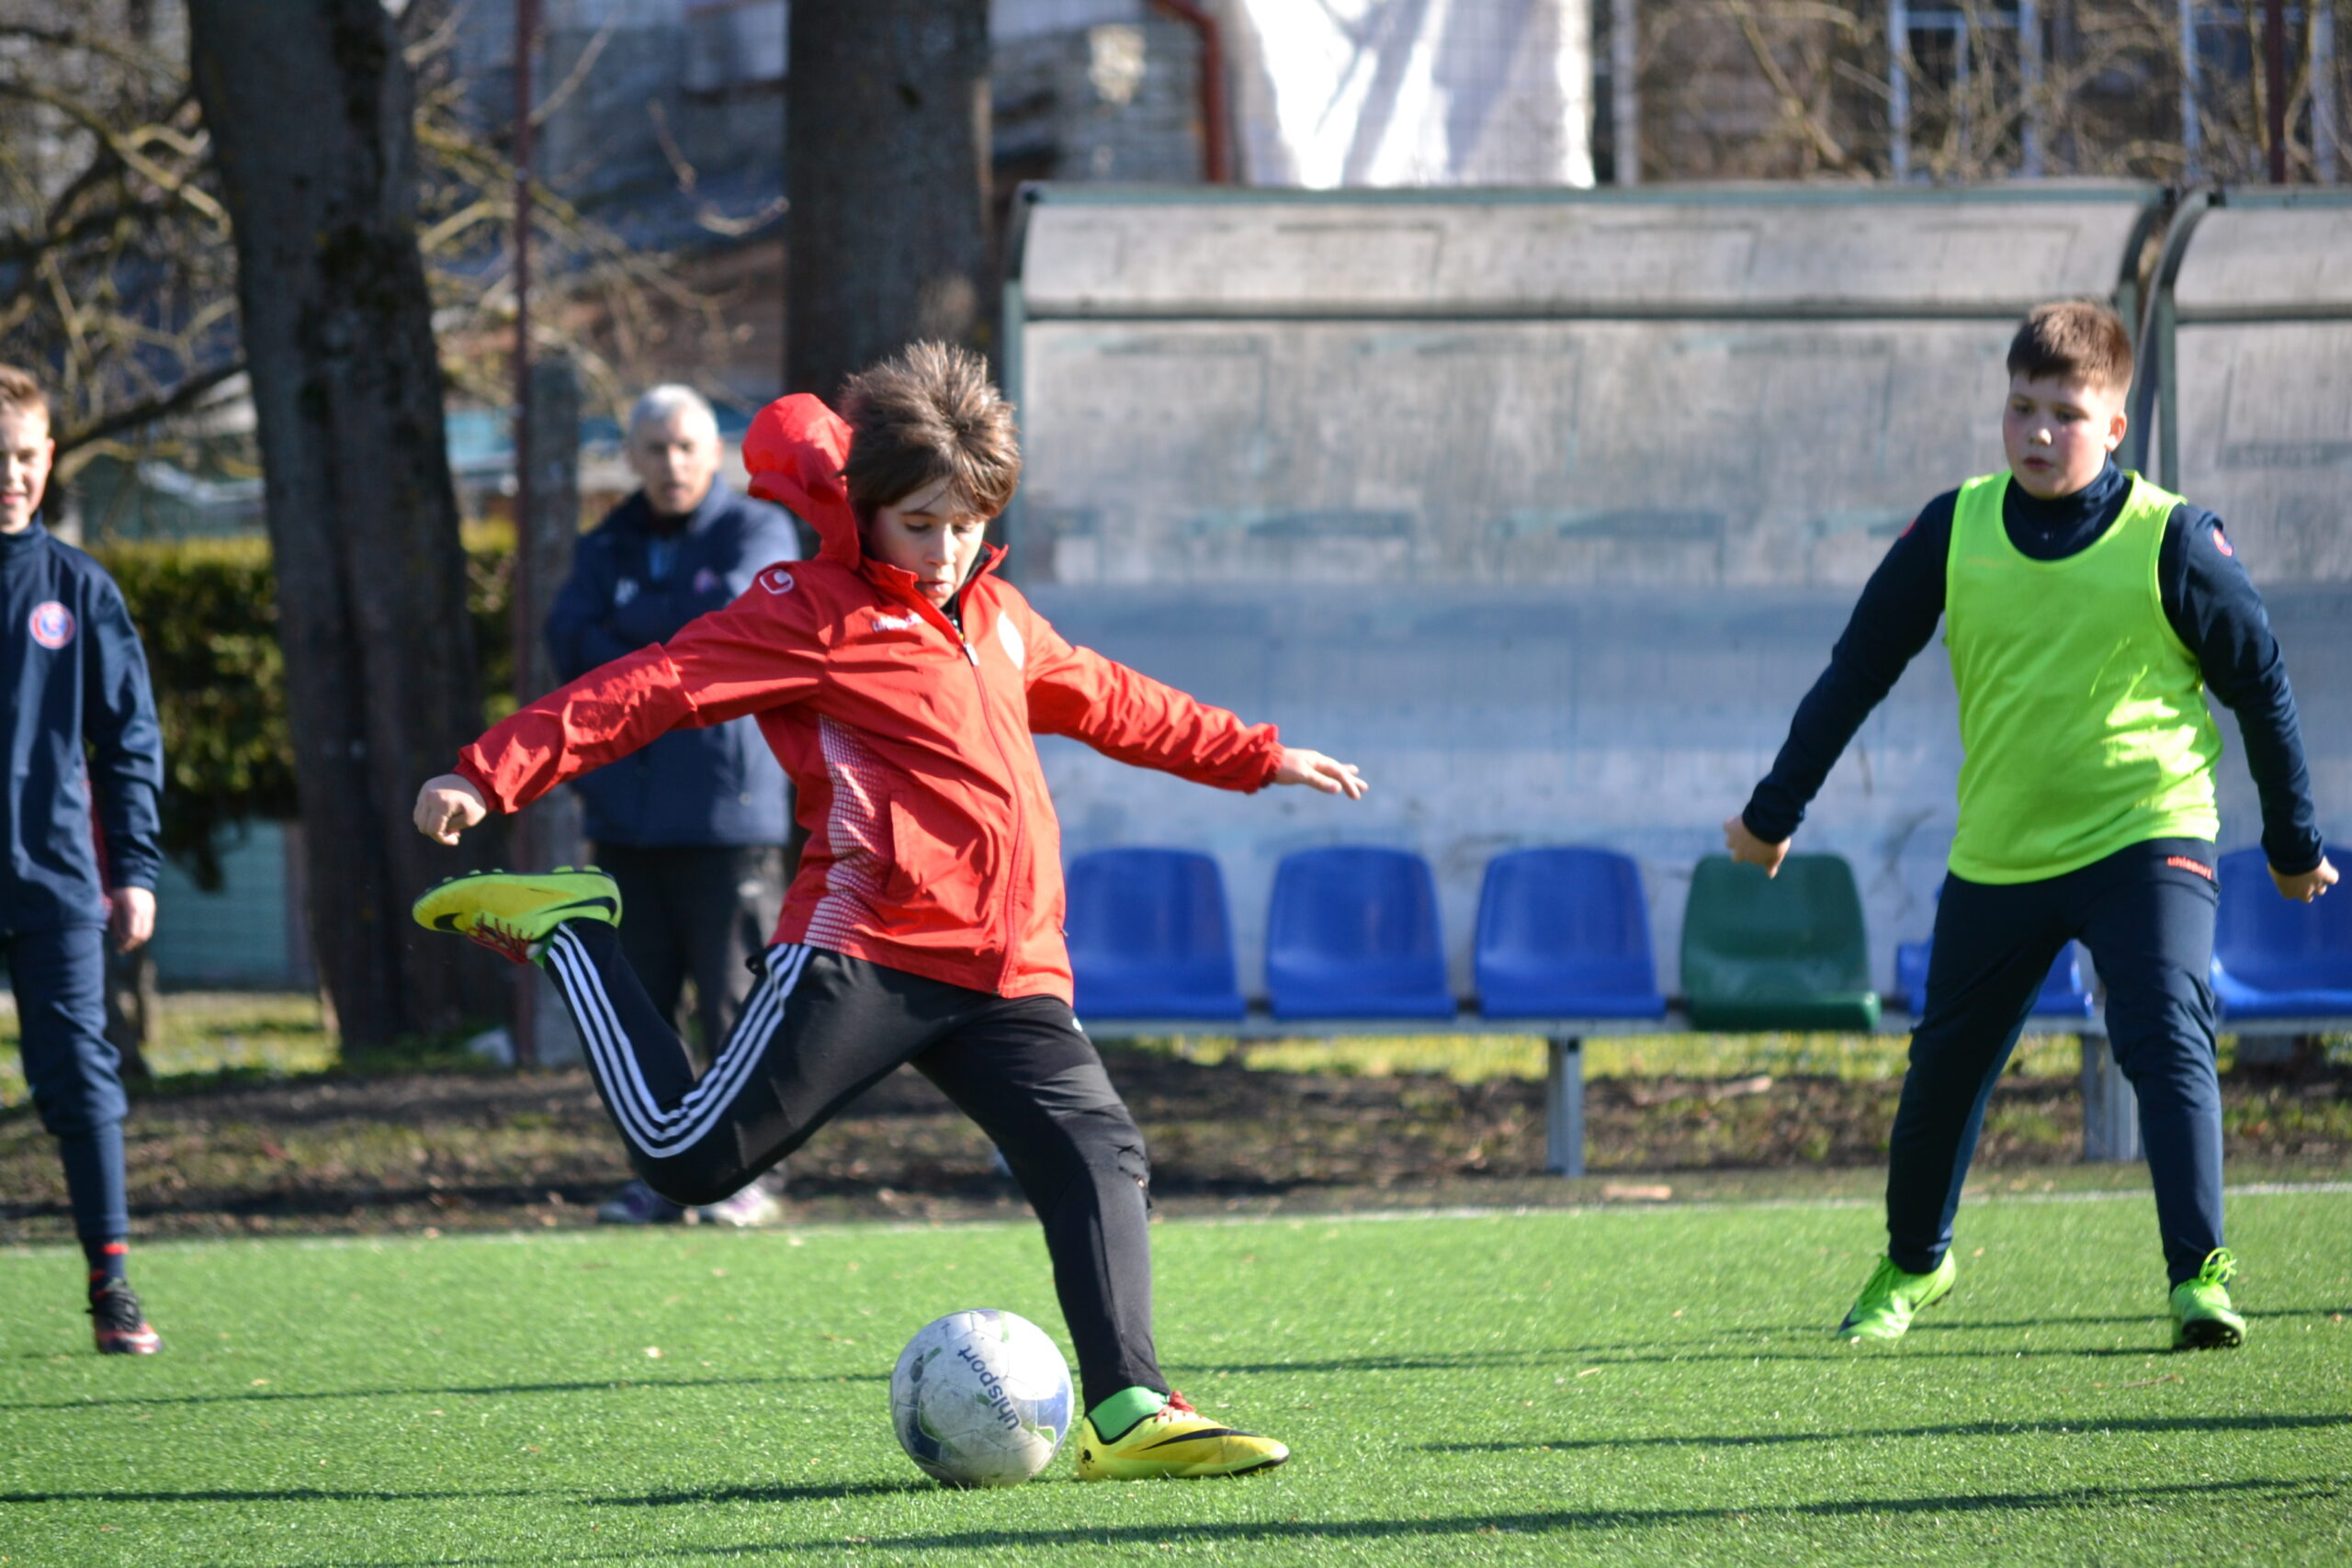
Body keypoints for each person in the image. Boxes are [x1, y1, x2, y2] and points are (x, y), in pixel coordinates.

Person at [410, 343, 1366, 1479]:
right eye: (920, 523)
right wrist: (493, 771)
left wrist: (1258, 755)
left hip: (1008, 964)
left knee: (1096, 1151)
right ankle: (571, 927)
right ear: (865, 510)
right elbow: (654, 685)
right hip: (865, 949)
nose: (946, 549)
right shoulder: (810, 611)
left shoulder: (1000, 617)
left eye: (967, 522)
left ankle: (1127, 1410)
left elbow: (1115, 700)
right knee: (687, 1160)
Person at [1724, 301, 2336, 1349]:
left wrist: (2291, 844)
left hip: (2148, 836)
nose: (2037, 432)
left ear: (2115, 424)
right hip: (2001, 854)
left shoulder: (2175, 540)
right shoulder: (1952, 529)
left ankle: (2200, 1277)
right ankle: (1916, 1262)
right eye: (2019, 408)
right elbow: (1857, 670)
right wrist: (1772, 811)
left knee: (2164, 1040)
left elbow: (2261, 685)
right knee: (1942, 1074)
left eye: (2063, 412)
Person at [546, 385, 801, 1228]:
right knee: (640, 1016)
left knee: (736, 1007)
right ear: (631, 456)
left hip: (728, 823)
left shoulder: (756, 530)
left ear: (714, 452)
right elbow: (567, 635)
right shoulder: (606, 542)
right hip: (625, 820)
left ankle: (744, 1175)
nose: (672, 463)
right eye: (654, 448)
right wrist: (663, 637)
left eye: (686, 446)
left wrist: (632, 636)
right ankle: (659, 1178)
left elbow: (723, 626)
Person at [0, 365, 165, 1354]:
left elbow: (128, 741)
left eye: (23, 458)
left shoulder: (78, 590)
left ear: (49, 458)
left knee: (78, 1079)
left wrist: (134, 868)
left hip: (52, 881)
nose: (8, 478)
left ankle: (112, 1285)